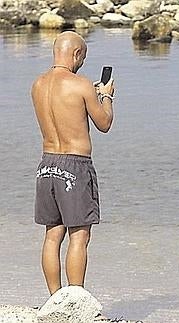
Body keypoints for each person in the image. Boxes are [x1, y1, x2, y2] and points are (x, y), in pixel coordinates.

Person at [31, 31, 115, 295]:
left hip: (46, 164)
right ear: (77, 53)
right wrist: (107, 96)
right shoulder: (80, 85)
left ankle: (55, 298)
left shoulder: (38, 84)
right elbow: (104, 124)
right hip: (74, 165)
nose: (81, 64)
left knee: (52, 234)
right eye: (83, 58)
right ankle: (76, 298)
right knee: (79, 236)